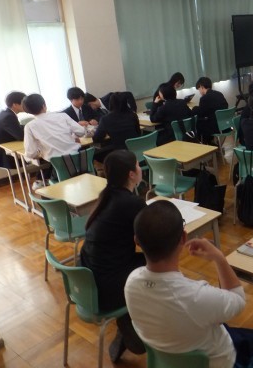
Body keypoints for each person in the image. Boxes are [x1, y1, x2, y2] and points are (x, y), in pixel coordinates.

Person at [125, 200, 253, 368]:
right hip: (226, 360)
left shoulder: (131, 283)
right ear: (183, 238)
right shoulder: (196, 297)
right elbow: (238, 300)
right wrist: (219, 257)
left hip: (176, 356)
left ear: (136, 241)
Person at [80, 150, 147, 362]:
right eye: (138, 165)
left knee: (146, 264)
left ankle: (129, 323)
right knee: (158, 263)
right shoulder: (131, 203)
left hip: (89, 280)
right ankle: (134, 326)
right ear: (131, 174)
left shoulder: (105, 196)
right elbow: (151, 239)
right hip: (108, 287)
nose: (140, 168)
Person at [22, 93, 85, 162]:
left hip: (57, 163)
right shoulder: (62, 116)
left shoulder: (30, 126)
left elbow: (30, 153)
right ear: (44, 105)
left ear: (27, 111)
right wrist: (73, 137)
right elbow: (81, 131)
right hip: (78, 157)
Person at [92, 92, 141, 162]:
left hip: (120, 154)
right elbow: (138, 132)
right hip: (137, 150)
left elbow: (96, 138)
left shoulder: (106, 119)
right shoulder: (133, 115)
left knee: (95, 154)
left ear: (111, 104)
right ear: (125, 103)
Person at [0, 91, 26, 169]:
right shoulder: (8, 117)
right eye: (24, 103)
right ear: (15, 105)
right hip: (3, 156)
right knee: (41, 159)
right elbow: (20, 136)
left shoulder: (4, 113)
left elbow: (16, 128)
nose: (26, 105)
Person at [191, 77, 229, 144]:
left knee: (198, 122)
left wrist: (194, 109)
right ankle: (211, 143)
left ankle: (205, 144)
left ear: (202, 87)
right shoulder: (219, 94)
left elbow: (201, 113)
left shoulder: (204, 98)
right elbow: (226, 105)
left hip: (215, 128)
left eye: (199, 89)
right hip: (226, 125)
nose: (199, 92)